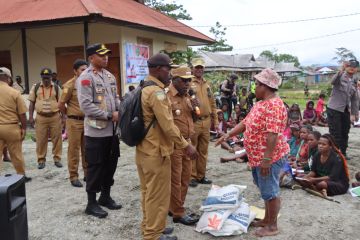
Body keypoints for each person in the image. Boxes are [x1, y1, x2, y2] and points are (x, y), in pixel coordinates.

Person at [216, 68, 289, 237]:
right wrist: (228, 134)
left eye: (256, 85)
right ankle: (267, 219)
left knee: (271, 191)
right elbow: (245, 122)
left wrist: (267, 159)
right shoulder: (260, 104)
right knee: (265, 189)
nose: (254, 88)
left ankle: (272, 226)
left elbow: (273, 134)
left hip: (269, 157)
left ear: (266, 86)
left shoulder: (274, 106)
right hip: (257, 157)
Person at [135, 53, 198, 240]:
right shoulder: (157, 92)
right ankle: (153, 235)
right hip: (156, 151)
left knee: (148, 192)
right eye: (167, 68)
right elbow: (168, 125)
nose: (169, 72)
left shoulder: (143, 87)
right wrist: (186, 145)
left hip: (144, 149)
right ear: (156, 69)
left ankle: (152, 227)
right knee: (157, 195)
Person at [77, 44, 121, 218]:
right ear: (91, 58)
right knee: (95, 167)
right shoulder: (85, 78)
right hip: (96, 133)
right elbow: (86, 106)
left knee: (111, 164)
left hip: (112, 132)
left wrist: (121, 110)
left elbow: (115, 98)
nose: (106, 58)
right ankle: (91, 203)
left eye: (107, 55)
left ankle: (105, 196)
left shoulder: (109, 76)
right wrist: (110, 115)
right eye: (101, 55)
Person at [167, 66, 199, 226]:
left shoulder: (187, 96)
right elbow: (168, 125)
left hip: (188, 142)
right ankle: (178, 212)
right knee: (176, 179)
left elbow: (192, 118)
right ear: (174, 80)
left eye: (189, 80)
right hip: (175, 144)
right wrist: (184, 144)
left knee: (186, 177)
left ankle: (176, 207)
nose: (187, 83)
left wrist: (195, 108)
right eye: (184, 80)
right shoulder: (166, 96)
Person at [59, 59, 88, 188]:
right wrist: (68, 114)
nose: (85, 71)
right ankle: (74, 176)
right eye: (82, 69)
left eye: (86, 69)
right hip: (74, 121)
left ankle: (87, 173)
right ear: (75, 71)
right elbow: (61, 104)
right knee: (74, 150)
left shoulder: (88, 82)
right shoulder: (69, 85)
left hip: (87, 121)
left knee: (87, 149)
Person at [189, 58, 218, 188]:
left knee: (203, 150)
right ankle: (192, 176)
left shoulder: (207, 84)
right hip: (194, 121)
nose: (199, 69)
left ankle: (201, 175)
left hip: (206, 121)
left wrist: (215, 121)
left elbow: (212, 103)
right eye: (197, 67)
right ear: (192, 68)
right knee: (192, 149)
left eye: (201, 67)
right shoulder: (188, 82)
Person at [28, 68, 63, 169]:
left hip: (55, 117)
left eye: (48, 78)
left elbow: (61, 103)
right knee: (41, 139)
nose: (46, 80)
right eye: (44, 78)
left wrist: (64, 117)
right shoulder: (36, 87)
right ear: (41, 77)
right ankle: (41, 160)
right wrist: (30, 116)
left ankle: (57, 159)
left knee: (57, 139)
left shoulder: (56, 87)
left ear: (51, 77)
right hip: (41, 117)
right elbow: (32, 103)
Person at [0, 67, 31, 181]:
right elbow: (22, 113)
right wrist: (23, 128)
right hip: (11, 127)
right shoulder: (14, 92)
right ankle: (21, 176)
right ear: (8, 78)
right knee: (16, 155)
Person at [327, 59, 359, 157]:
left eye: (354, 66)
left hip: (345, 110)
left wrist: (355, 113)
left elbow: (355, 99)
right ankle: (334, 153)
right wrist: (340, 70)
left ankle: (343, 153)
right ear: (346, 66)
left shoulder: (354, 80)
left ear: (357, 69)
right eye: (349, 66)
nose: (352, 68)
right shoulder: (340, 76)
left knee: (345, 132)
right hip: (334, 108)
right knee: (336, 133)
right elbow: (333, 81)